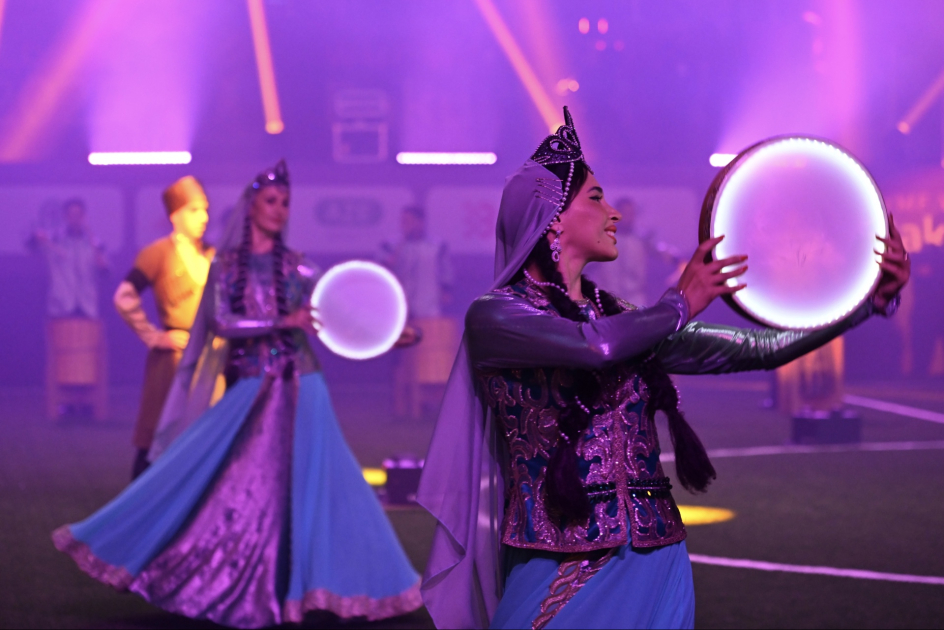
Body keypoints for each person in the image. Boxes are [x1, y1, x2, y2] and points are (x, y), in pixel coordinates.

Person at [416, 108, 910, 629]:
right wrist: (680, 303)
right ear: (553, 218)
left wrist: (865, 305)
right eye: (596, 198)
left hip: (658, 557)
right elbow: (595, 347)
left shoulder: (624, 319)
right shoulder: (496, 316)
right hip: (561, 559)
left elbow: (755, 348)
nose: (614, 214)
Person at [53, 161, 422, 628]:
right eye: (271, 201)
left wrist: (389, 333)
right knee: (234, 485)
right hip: (252, 388)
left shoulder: (298, 265)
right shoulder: (226, 266)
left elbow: (338, 311)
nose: (279, 209)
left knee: (331, 485)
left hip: (305, 387)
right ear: (251, 206)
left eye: (285, 202)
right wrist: (281, 321)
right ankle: (234, 581)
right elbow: (223, 324)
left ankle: (332, 589)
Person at [115, 176, 216, 478]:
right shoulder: (158, 253)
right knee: (158, 433)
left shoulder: (213, 255)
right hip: (174, 359)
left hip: (211, 359)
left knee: (208, 434)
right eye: (194, 210)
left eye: (205, 209)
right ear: (176, 215)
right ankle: (143, 498)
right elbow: (124, 296)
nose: (203, 217)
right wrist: (154, 337)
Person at [380, 205, 455, 419]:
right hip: (400, 308)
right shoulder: (390, 244)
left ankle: (429, 401)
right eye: (403, 221)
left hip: (428, 308)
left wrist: (446, 291)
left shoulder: (437, 245)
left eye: (410, 221)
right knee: (400, 356)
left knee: (428, 354)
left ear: (421, 222)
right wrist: (399, 247)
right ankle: (399, 401)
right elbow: (382, 268)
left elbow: (447, 272)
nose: (406, 225)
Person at [31, 198, 108, 319]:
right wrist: (37, 237)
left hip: (87, 306)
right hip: (60, 306)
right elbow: (31, 245)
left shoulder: (94, 243)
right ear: (65, 216)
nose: (75, 218)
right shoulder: (54, 239)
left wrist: (101, 263)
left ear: (84, 216)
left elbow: (106, 271)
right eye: (71, 214)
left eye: (79, 214)